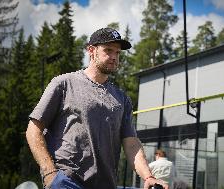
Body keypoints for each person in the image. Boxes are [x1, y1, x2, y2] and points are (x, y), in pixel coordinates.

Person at [26, 28, 168, 189]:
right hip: (67, 181)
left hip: (105, 184)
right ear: (91, 51)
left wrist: (148, 176)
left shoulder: (122, 98)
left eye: (118, 53)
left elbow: (131, 143)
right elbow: (33, 130)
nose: (114, 57)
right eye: (108, 50)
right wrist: (49, 173)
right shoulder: (64, 84)